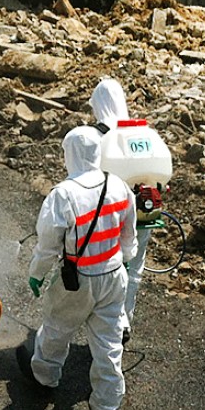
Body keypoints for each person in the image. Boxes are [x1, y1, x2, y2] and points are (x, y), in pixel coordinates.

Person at [20, 126, 137, 410]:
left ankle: (45, 377)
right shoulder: (120, 186)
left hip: (79, 278)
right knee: (109, 341)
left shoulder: (63, 194)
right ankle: (107, 406)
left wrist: (36, 274)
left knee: (57, 328)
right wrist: (121, 259)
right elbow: (129, 239)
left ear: (69, 154)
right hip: (114, 276)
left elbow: (47, 245)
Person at [88, 77, 145, 345]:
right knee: (133, 268)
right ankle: (124, 321)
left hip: (110, 215)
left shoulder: (94, 137)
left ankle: (111, 327)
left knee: (109, 269)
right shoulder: (139, 133)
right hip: (144, 212)